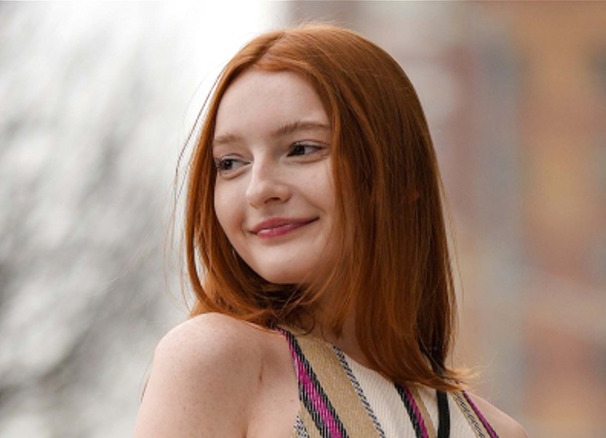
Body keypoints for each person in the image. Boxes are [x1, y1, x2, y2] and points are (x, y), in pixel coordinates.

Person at [134, 24, 527, 438]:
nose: (259, 189)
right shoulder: (216, 359)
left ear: (402, 176)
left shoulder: (497, 431)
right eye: (230, 162)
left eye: (302, 149)